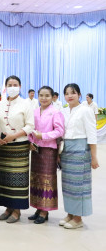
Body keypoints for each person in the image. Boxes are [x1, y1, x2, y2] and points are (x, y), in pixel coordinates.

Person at [60, 83, 99, 229]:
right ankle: (70, 213)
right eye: (67, 93)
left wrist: (94, 157)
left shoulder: (85, 110)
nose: (70, 96)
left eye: (73, 92)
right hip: (66, 150)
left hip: (81, 148)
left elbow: (92, 134)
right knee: (68, 184)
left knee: (78, 185)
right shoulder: (64, 111)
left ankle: (78, 218)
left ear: (79, 95)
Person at [0, 75, 34, 223]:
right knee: (4, 178)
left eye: (15, 84)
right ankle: (7, 208)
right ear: (5, 87)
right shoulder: (0, 103)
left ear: (20, 86)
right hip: (3, 146)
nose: (12, 87)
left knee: (17, 179)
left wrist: (14, 136)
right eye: (9, 84)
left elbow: (30, 126)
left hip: (19, 146)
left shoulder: (26, 104)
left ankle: (16, 210)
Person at [28, 86, 65, 224]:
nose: (43, 98)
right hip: (36, 150)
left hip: (49, 150)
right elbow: (30, 128)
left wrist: (43, 136)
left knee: (47, 180)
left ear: (52, 97)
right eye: (41, 95)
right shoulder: (35, 111)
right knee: (36, 179)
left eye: (47, 96)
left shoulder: (55, 112)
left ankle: (45, 210)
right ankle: (38, 207)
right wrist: (31, 141)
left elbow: (59, 131)